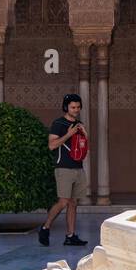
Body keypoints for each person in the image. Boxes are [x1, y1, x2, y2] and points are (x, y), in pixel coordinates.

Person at [39, 93, 88, 247]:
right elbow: (52, 145)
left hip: (78, 168)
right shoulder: (58, 123)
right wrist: (69, 134)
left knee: (73, 203)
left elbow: (83, 147)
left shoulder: (79, 124)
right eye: (73, 107)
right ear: (66, 107)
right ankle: (45, 227)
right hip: (63, 168)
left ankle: (70, 236)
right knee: (63, 202)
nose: (76, 110)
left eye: (78, 107)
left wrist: (85, 136)